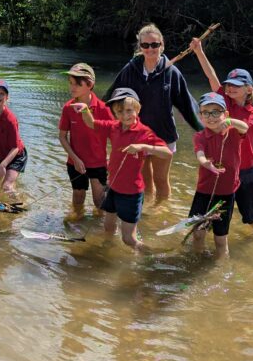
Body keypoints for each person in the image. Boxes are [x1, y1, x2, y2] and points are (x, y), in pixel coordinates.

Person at [189, 39, 253, 234]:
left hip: (247, 172)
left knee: (252, 217)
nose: (230, 88)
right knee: (219, 216)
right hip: (225, 171)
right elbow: (211, 75)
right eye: (228, 85)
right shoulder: (224, 105)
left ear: (249, 89)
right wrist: (199, 51)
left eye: (236, 85)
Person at [106, 23, 202, 203]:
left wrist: (205, 128)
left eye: (154, 45)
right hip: (138, 135)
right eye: (145, 45)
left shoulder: (171, 72)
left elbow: (187, 104)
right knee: (145, 180)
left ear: (162, 45)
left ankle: (161, 211)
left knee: (160, 180)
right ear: (140, 47)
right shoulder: (130, 70)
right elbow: (112, 97)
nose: (150, 49)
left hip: (163, 135)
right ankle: (149, 213)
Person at [79, 88, 172, 249]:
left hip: (131, 193)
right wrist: (85, 109)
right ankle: (106, 250)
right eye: (119, 112)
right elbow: (91, 123)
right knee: (108, 227)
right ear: (115, 113)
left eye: (129, 110)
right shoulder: (114, 126)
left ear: (137, 109)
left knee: (128, 239)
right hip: (114, 187)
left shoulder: (144, 132)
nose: (125, 115)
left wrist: (143, 146)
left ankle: (150, 255)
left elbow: (167, 153)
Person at [190, 92, 250, 258]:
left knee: (220, 239)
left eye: (216, 112)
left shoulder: (233, 132)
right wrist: (205, 163)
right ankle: (196, 259)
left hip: (226, 193)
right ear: (200, 116)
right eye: (206, 113)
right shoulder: (200, 136)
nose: (211, 117)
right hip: (203, 191)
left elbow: (245, 127)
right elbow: (200, 154)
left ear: (226, 114)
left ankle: (221, 267)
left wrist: (230, 122)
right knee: (198, 232)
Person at [58, 63, 111, 221]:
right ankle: (76, 226)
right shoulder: (68, 108)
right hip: (75, 162)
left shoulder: (103, 109)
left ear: (90, 85)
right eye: (71, 83)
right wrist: (75, 159)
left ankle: (101, 231)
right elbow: (62, 136)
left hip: (98, 163)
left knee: (99, 202)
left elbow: (115, 135)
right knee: (78, 199)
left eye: (77, 84)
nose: (72, 87)